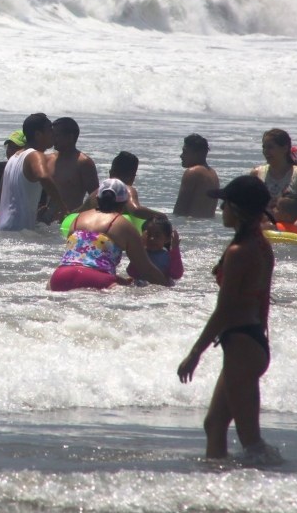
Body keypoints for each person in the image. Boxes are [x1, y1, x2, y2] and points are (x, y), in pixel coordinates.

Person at [178, 175, 279, 462]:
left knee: (251, 442)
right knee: (214, 424)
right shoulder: (260, 245)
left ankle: (273, 493)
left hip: (243, 345)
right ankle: (217, 482)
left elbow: (225, 310)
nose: (221, 210)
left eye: (225, 205)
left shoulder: (239, 252)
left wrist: (195, 353)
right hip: (253, 341)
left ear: (237, 209)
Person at [48, 179, 170, 291]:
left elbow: (81, 262)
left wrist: (117, 279)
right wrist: (168, 284)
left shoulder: (77, 220)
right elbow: (146, 269)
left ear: (97, 198)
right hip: (97, 279)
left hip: (60, 276)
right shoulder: (123, 224)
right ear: (124, 203)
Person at [0, 113, 68, 231]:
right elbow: (44, 177)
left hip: (2, 227)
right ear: (38, 135)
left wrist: (32, 212)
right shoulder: (35, 155)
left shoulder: (14, 157)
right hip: (19, 231)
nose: (53, 133)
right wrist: (63, 207)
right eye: (50, 129)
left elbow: (0, 197)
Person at [251, 128, 297, 231]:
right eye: (264, 147)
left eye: (270, 147)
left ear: (285, 148)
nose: (265, 152)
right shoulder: (256, 174)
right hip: (263, 231)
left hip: (292, 231)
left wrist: (294, 228)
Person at [46, 117, 99, 216]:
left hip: (70, 221)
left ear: (70, 137)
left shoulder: (83, 162)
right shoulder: (47, 159)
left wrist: (73, 214)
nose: (53, 139)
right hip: (45, 223)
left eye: (57, 135)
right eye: (52, 135)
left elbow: (96, 197)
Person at [173, 133, 220, 218]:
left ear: (199, 153)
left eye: (185, 152)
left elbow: (179, 211)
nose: (181, 156)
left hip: (190, 227)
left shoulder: (192, 173)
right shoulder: (213, 174)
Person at [126, 216, 183, 284]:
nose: (152, 239)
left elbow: (176, 275)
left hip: (162, 288)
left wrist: (175, 250)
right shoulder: (142, 254)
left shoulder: (169, 256)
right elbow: (131, 272)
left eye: (157, 236)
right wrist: (140, 248)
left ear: (167, 238)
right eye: (149, 235)